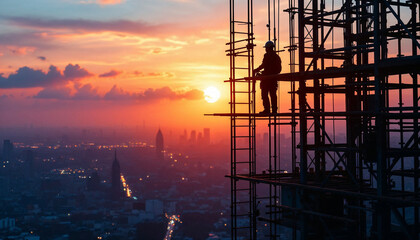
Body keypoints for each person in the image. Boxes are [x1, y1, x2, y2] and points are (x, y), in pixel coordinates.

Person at [254, 41, 282, 114]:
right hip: (273, 79)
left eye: (266, 48)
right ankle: (274, 110)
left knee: (265, 94)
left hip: (267, 80)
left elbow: (264, 65)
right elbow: (279, 69)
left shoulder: (267, 56)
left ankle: (267, 110)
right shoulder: (276, 56)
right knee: (272, 95)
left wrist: (256, 70)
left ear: (268, 48)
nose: (265, 49)